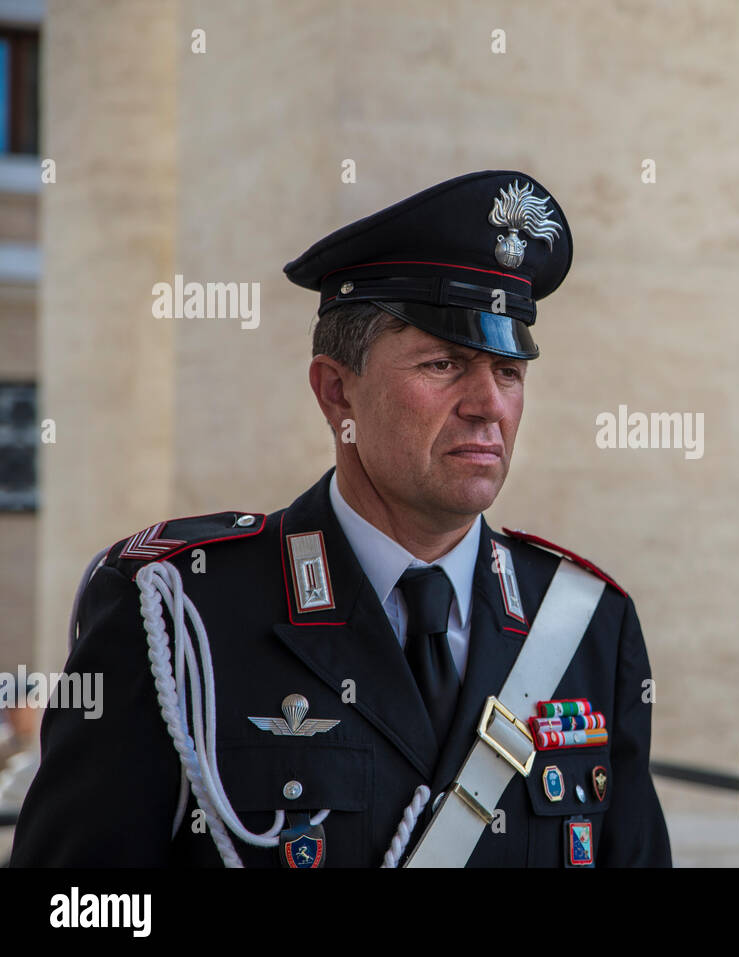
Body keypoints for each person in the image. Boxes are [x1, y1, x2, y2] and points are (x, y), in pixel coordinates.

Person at [12, 170, 671, 868]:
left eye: (509, 371)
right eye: (445, 362)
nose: (488, 404)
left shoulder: (584, 624)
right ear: (335, 391)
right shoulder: (181, 615)